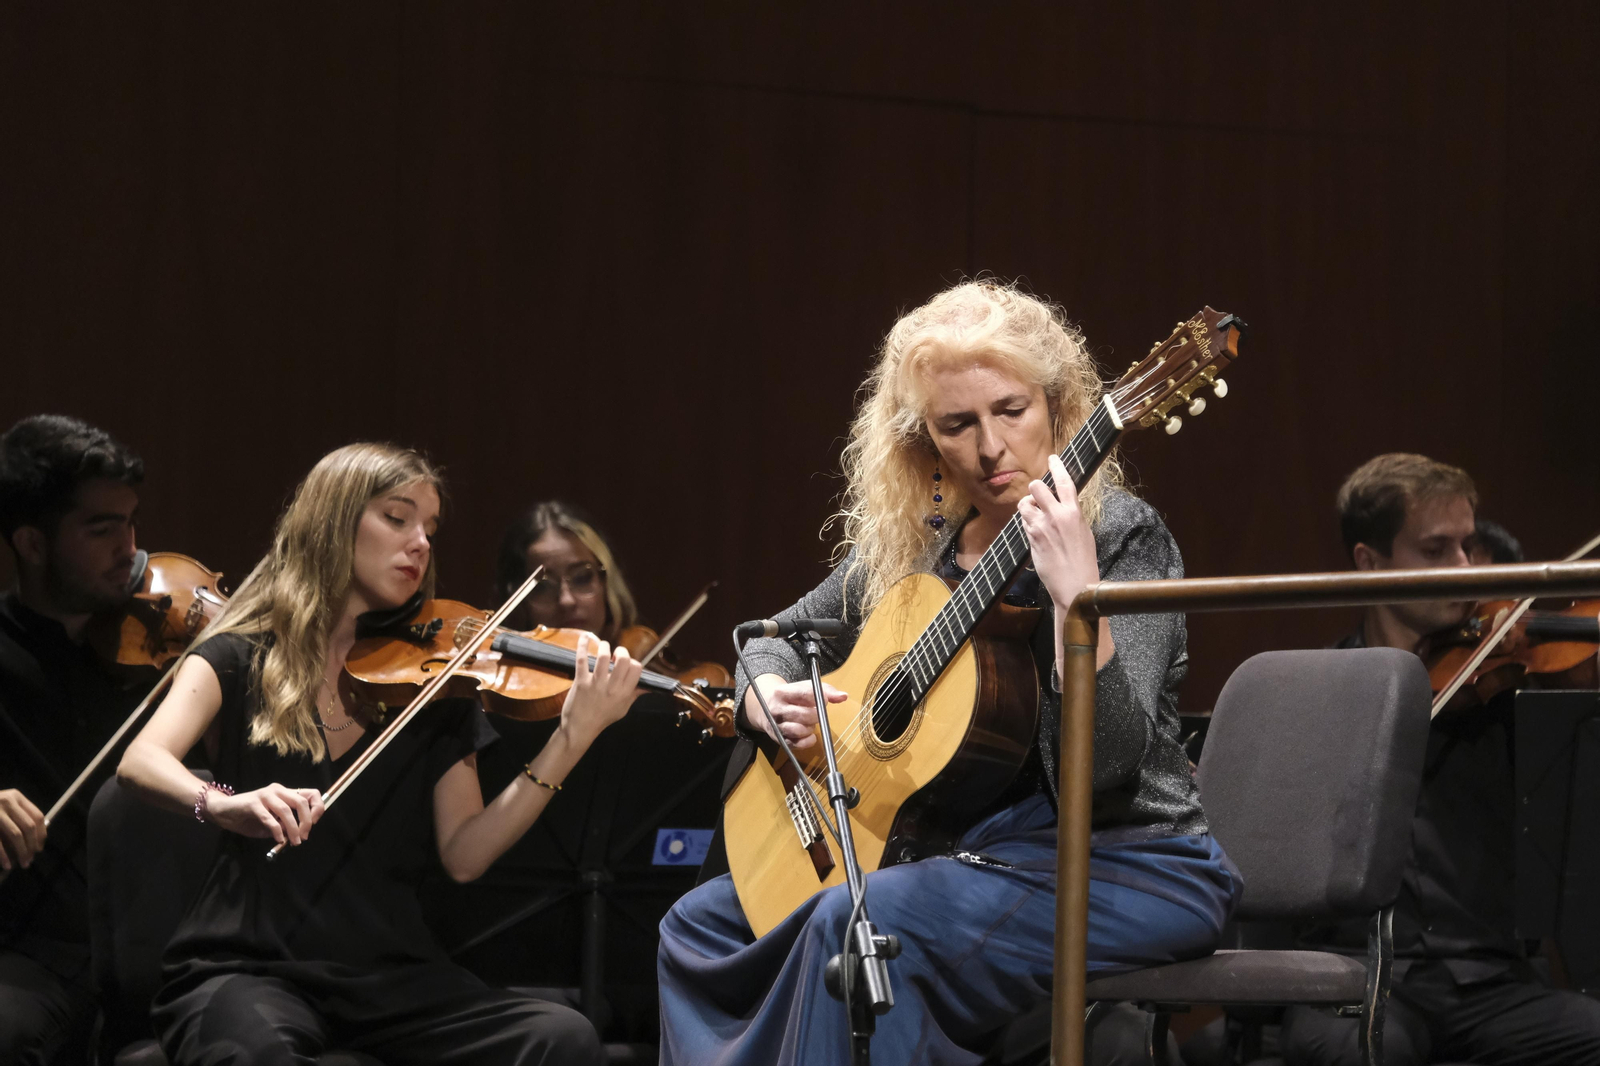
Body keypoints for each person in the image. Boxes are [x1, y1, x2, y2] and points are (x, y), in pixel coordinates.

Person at [656, 281, 1242, 1065]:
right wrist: (762, 697)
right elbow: (768, 638)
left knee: (860, 929)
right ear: (925, 441)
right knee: (698, 924)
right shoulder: (919, 552)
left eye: (1011, 410)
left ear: (1058, 405)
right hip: (964, 863)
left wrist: (1078, 598)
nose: (990, 447)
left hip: (1132, 863)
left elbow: (1105, 767)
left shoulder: (1120, 534)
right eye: (957, 425)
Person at [116, 442, 644, 1066]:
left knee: (562, 1037)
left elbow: (466, 854)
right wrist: (225, 805)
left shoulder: (435, 681)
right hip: (249, 965)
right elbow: (140, 762)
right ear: (334, 521)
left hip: (388, 975)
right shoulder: (236, 656)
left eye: (430, 527)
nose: (420, 542)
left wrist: (571, 739)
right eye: (397, 518)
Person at [1280, 452, 1600, 1066]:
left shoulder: (1504, 678)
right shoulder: (1317, 693)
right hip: (1358, 981)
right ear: (1369, 563)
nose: (1463, 567)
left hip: (1487, 983)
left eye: (1468, 546)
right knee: (1367, 1051)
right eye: (1435, 550)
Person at [0, 414, 150, 1066]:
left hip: (162, 946)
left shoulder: (166, 647)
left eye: (130, 522)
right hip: (33, 951)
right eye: (102, 528)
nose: (130, 548)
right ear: (33, 544)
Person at [494, 500, 640, 645]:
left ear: (605, 582)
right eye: (543, 587)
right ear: (520, 603)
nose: (566, 601)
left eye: (582, 578)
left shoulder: (638, 657)